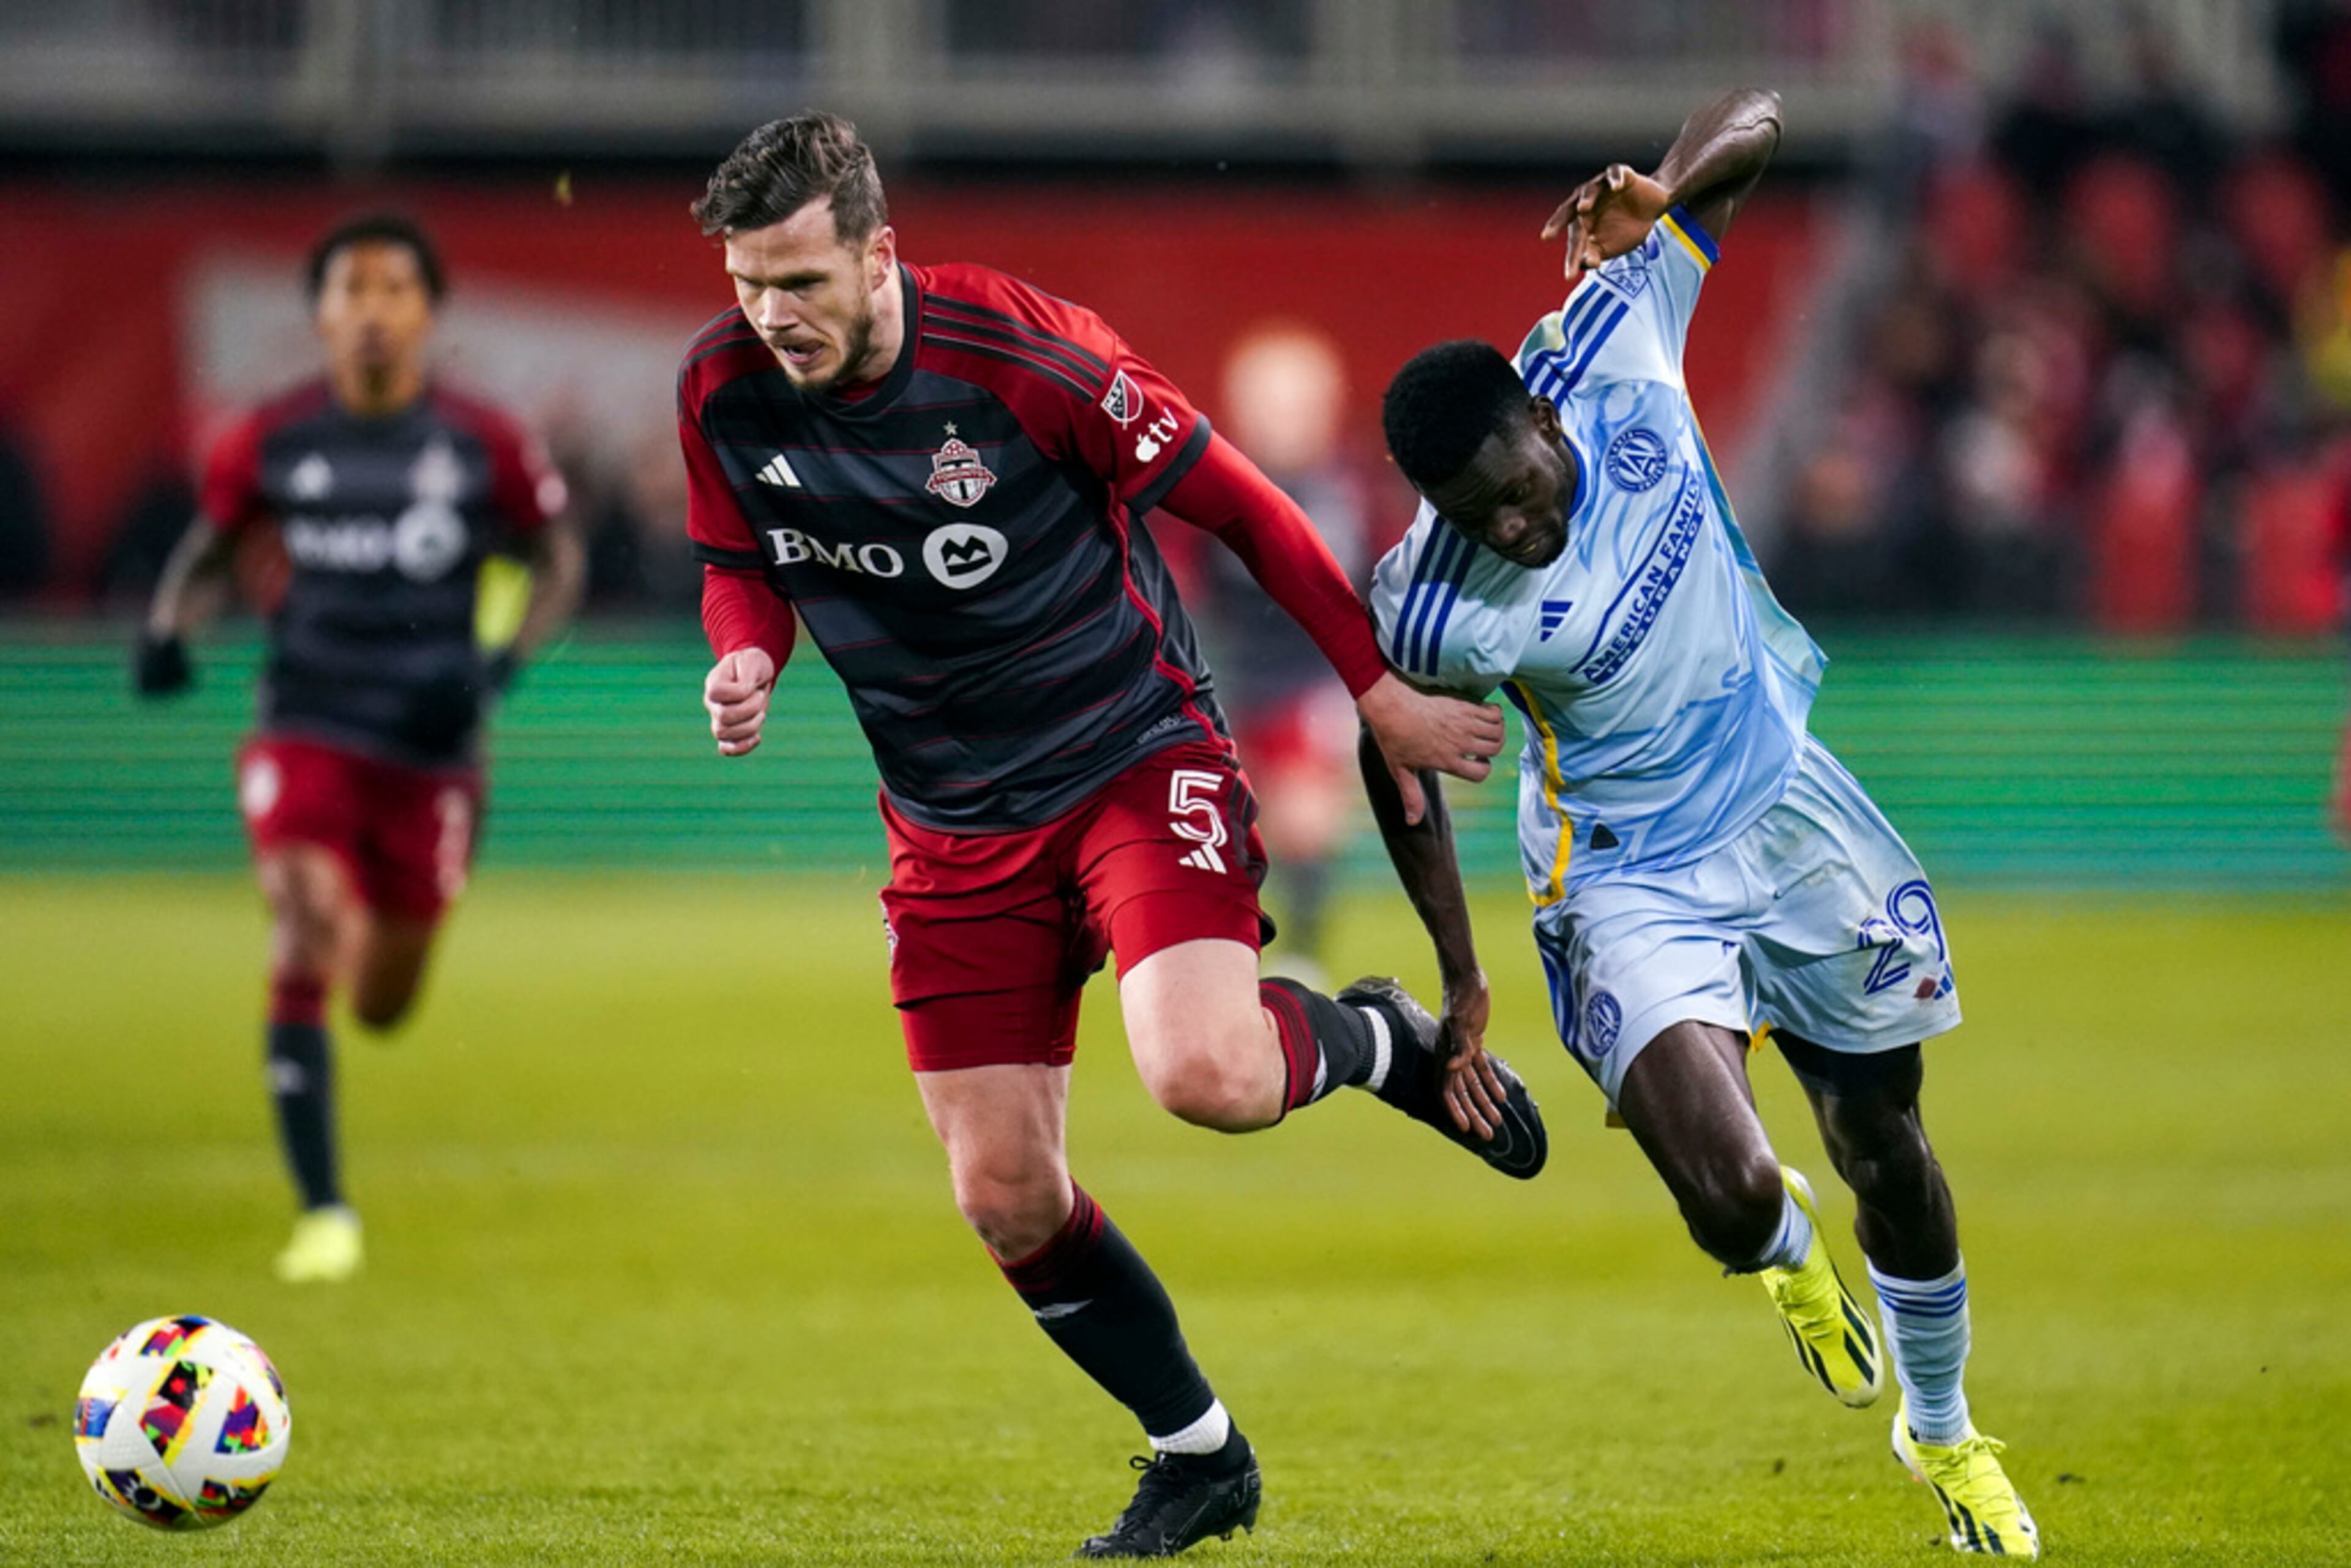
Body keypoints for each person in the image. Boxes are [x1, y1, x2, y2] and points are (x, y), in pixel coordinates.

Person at [680, 112, 1543, 1558]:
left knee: (1202, 1071)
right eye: (751, 284)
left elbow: (1249, 508)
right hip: (948, 823)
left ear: (877, 255)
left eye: (803, 283)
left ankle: (1374, 1040)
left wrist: (1375, 687)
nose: (775, 317)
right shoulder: (722, 387)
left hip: (1130, 759)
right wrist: (746, 650)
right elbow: (737, 560)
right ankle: (1197, 1452)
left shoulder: (1031, 359)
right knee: (1004, 1191)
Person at [1361, 90, 2039, 1558]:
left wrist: (1655, 184)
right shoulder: (1429, 596)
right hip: (1625, 875)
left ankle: (1941, 1426)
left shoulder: (1611, 341)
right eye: (1472, 519)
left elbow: (1757, 121)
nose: (1512, 530)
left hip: (1785, 803)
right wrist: (1458, 964)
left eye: (1515, 494)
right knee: (1733, 1199)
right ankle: (1786, 1262)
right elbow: (1388, 748)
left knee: (1888, 1147)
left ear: (1541, 416)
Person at [134, 213, 583, 1285]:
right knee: (302, 919)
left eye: (394, 291)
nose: (373, 312)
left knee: (381, 1001)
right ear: (321, 315)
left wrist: (496, 665)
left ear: (428, 312)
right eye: (352, 291)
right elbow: (210, 550)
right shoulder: (274, 438)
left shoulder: (482, 440)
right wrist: (167, 628)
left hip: (431, 751)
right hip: (306, 723)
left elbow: (556, 555)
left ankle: (341, 1049)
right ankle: (324, 1210)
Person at [1195, 323, 1375, 983]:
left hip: (1311, 678)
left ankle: (1301, 955)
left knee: (1305, 820)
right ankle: (1228, 948)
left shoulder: (1343, 491)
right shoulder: (1216, 484)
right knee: (1237, 825)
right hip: (1234, 677)